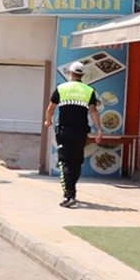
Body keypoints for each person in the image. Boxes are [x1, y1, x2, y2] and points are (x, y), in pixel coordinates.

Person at [44, 61, 103, 209]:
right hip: (81, 132)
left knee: (65, 162)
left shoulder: (61, 88)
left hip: (64, 131)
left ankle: (69, 195)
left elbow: (51, 107)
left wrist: (48, 121)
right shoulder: (89, 90)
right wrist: (99, 129)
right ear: (82, 75)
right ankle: (72, 191)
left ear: (70, 73)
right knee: (77, 161)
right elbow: (93, 111)